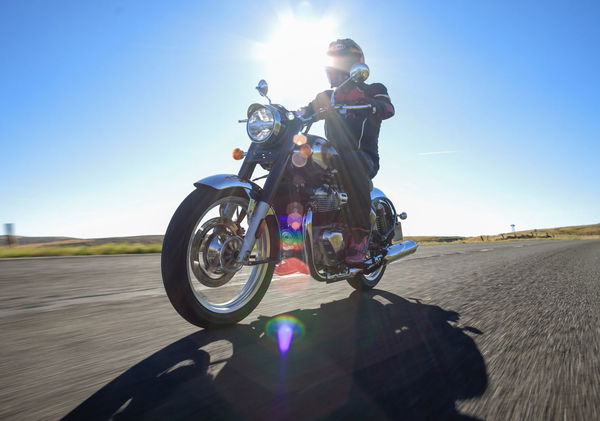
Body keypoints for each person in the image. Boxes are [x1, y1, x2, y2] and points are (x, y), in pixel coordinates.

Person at [300, 39, 395, 266]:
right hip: (332, 157)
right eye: (330, 62)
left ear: (352, 64)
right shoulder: (327, 95)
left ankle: (360, 236)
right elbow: (305, 110)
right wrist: (286, 114)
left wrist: (372, 105)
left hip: (363, 157)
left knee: (350, 158)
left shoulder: (374, 90)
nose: (330, 67)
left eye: (337, 61)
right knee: (298, 161)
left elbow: (388, 108)